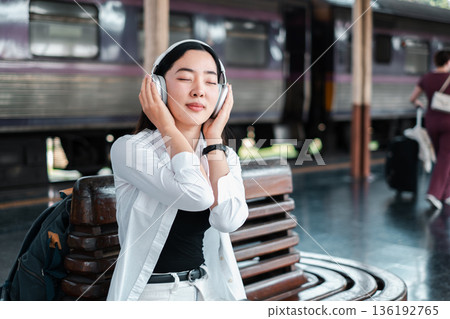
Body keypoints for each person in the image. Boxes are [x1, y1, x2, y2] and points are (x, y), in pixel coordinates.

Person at [106, 40, 249, 301]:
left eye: (210, 82)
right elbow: (198, 196)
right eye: (185, 78)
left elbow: (228, 220)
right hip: (153, 296)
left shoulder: (222, 155)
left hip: (206, 291)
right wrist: (168, 129)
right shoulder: (130, 149)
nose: (199, 91)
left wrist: (215, 138)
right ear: (158, 87)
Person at [410, 50, 450, 210]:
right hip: (449, 123)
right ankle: (433, 193)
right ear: (448, 62)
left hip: (431, 121)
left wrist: (418, 103)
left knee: (444, 157)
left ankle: (447, 194)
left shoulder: (426, 78)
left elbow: (413, 98)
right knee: (445, 158)